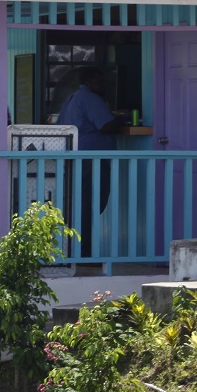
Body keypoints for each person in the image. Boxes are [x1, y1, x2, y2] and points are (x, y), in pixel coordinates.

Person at [57, 67, 127, 260]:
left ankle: (77, 251)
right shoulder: (91, 99)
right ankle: (85, 254)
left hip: (76, 159)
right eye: (99, 80)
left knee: (82, 205)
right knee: (91, 204)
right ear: (88, 81)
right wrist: (121, 119)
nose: (103, 84)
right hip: (91, 161)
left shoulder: (73, 98)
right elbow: (105, 125)